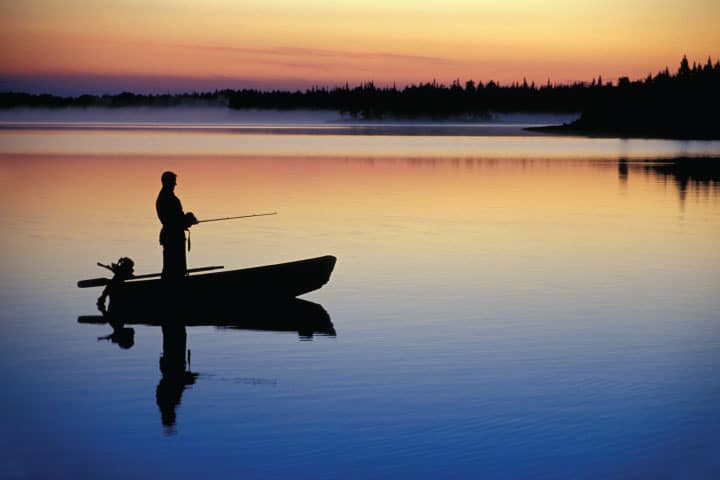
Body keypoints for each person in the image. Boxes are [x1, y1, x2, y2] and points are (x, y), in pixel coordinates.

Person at [156, 171, 198, 279]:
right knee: (174, 268)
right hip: (173, 236)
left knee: (172, 267)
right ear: (167, 182)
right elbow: (174, 220)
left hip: (171, 235)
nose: (175, 185)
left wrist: (186, 220)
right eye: (173, 182)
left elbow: (175, 219)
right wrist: (188, 219)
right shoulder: (168, 199)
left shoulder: (165, 197)